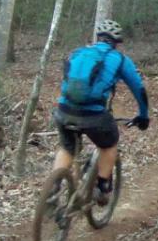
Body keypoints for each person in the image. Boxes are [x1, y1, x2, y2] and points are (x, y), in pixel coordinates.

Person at [52, 19, 150, 204]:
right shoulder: (120, 59)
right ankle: (102, 187)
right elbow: (139, 90)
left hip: (64, 110)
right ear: (117, 42)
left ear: (98, 38)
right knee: (109, 144)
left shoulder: (77, 53)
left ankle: (52, 190)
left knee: (67, 147)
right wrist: (143, 116)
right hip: (93, 115)